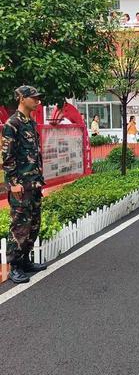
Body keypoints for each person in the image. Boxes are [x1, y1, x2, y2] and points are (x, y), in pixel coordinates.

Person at [1, 86, 47, 284]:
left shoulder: (30, 123)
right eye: (33, 98)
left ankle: (26, 260)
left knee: (33, 224)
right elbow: (7, 156)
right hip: (20, 185)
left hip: (34, 183)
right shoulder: (13, 124)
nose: (37, 101)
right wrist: (13, 183)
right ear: (22, 98)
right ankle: (15, 267)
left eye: (38, 98)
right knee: (19, 225)